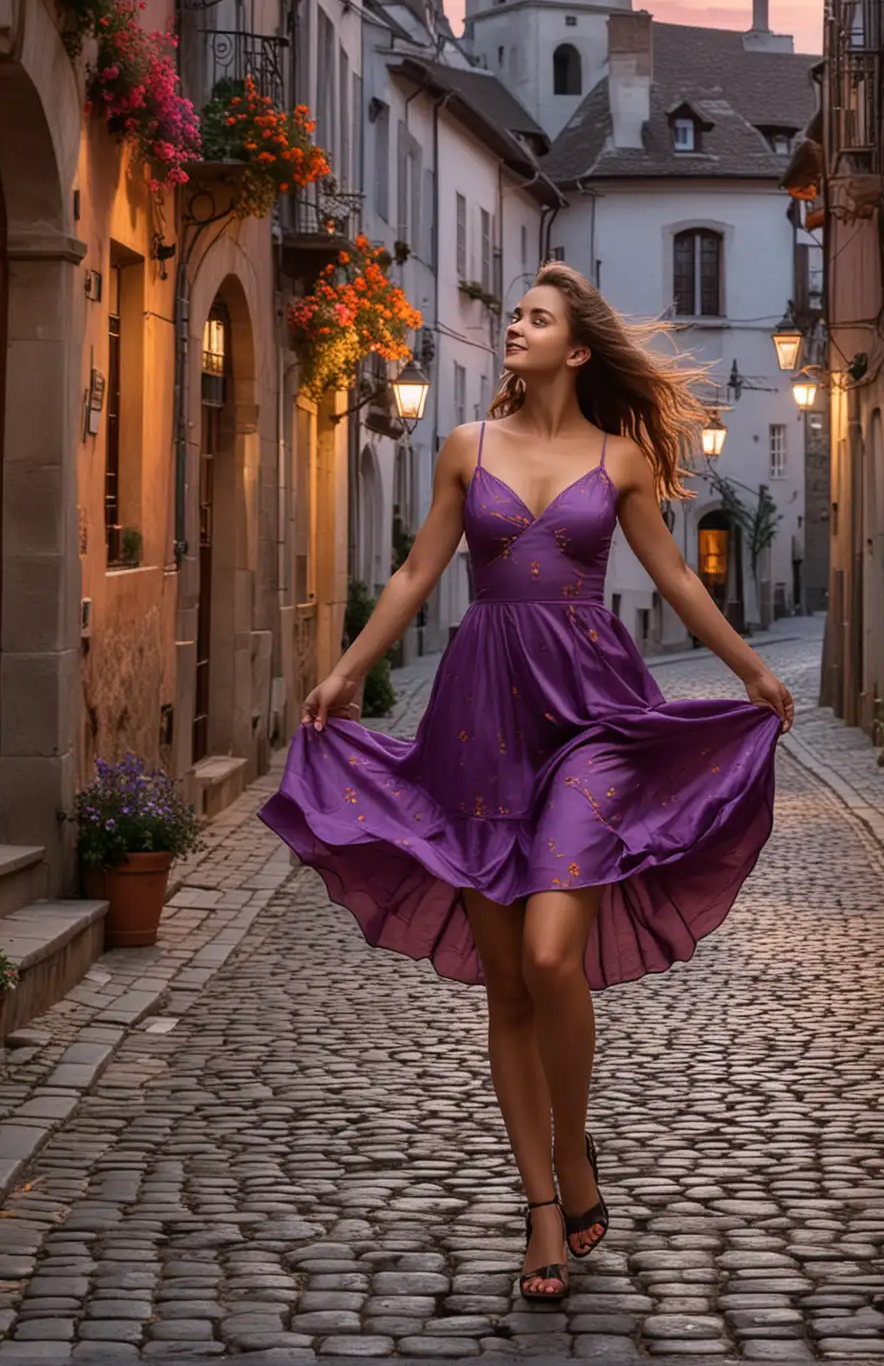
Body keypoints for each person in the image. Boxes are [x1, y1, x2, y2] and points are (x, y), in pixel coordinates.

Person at [259, 262, 793, 1301]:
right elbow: (418, 573)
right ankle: (543, 1209)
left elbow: (676, 577)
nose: (514, 328)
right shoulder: (468, 448)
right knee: (505, 983)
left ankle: (577, 1145)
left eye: (536, 319)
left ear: (578, 347)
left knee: (554, 957)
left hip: (593, 712)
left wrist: (753, 670)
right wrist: (345, 670)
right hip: (482, 715)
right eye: (514, 315)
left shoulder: (622, 457)